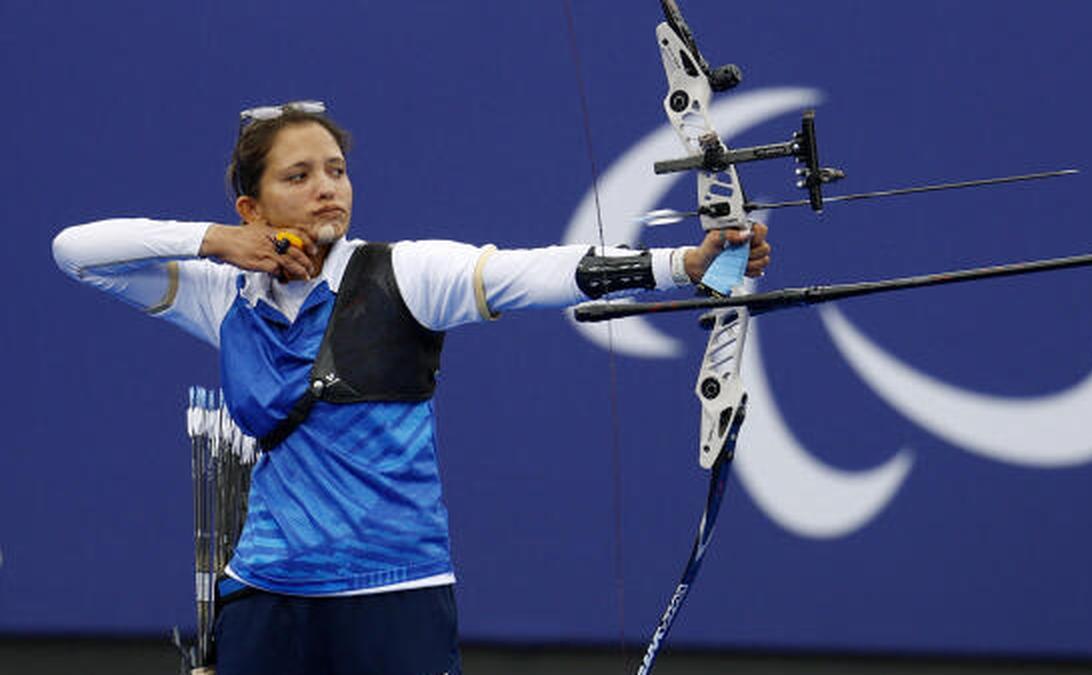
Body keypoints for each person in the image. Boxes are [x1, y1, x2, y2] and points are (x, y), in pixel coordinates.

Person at [51, 100, 770, 675]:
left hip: (392, 592)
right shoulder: (223, 295)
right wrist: (213, 240)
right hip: (265, 592)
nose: (326, 186)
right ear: (252, 207)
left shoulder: (404, 274)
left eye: (335, 169)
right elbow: (75, 251)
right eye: (297, 176)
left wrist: (685, 263)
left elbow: (539, 273)